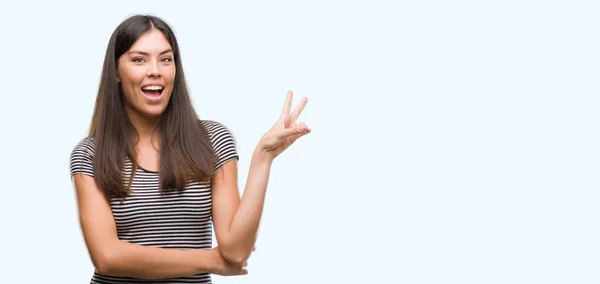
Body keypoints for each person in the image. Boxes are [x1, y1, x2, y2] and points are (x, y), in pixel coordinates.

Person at [69, 14, 311, 284]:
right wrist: (209, 260)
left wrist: (263, 158)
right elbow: (107, 257)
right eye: (139, 59)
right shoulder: (90, 155)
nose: (155, 70)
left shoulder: (212, 140)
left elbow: (235, 250)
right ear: (116, 72)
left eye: (166, 59)